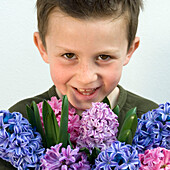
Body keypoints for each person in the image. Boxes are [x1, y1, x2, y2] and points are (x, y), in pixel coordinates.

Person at [1, 0, 159, 168]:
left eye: (104, 57)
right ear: (42, 47)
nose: (86, 77)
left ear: (129, 50)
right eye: (69, 55)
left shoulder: (152, 123)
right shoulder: (17, 123)